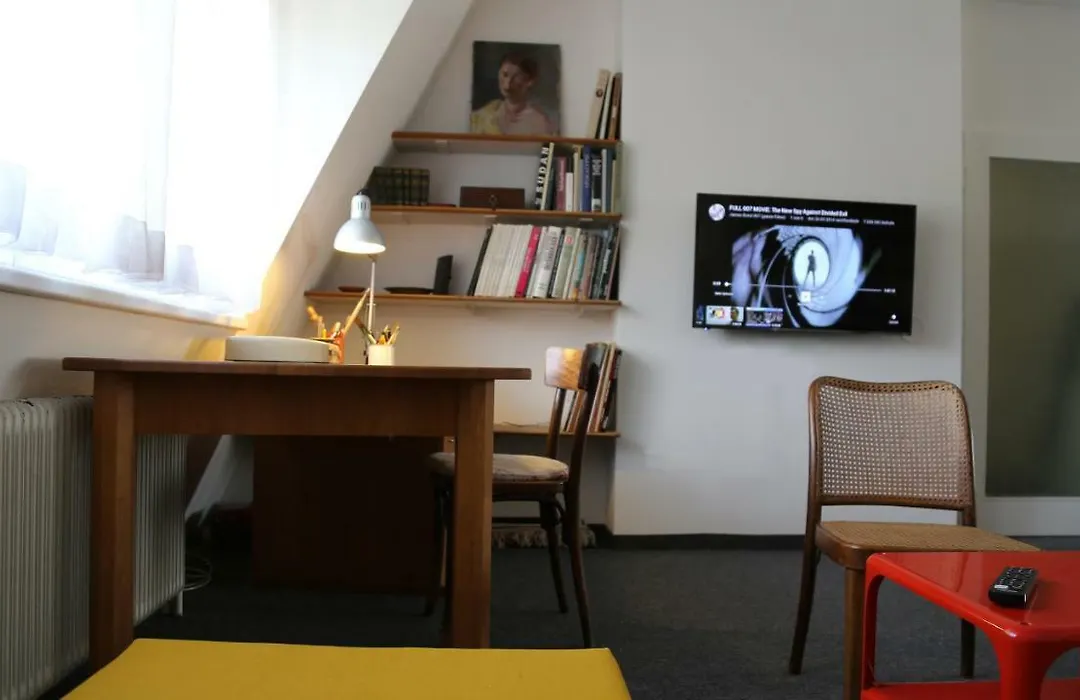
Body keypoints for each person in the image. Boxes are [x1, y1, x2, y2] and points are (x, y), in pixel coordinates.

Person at [471, 52, 557, 136]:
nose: (507, 84)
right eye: (505, 75)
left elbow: (549, 145)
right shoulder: (484, 115)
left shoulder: (540, 122)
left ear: (529, 81)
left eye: (516, 77)